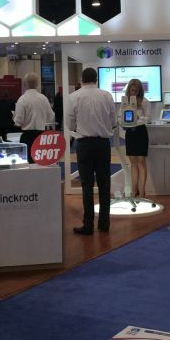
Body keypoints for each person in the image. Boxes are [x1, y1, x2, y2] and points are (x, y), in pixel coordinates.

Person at [66, 67, 116, 234]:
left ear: (82, 79)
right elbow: (113, 121)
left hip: (84, 145)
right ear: (96, 79)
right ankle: (104, 224)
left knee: (86, 185)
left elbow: (69, 124)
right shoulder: (106, 95)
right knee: (104, 184)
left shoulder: (74, 97)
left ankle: (88, 225)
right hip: (103, 144)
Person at [13, 72, 54, 162]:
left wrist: (14, 118)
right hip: (41, 136)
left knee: (28, 162)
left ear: (24, 84)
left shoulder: (22, 99)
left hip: (27, 136)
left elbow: (19, 121)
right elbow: (51, 117)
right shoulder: (43, 98)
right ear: (37, 84)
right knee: (41, 162)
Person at [122, 78, 152, 198]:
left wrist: (138, 118)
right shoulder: (125, 101)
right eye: (132, 90)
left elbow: (148, 118)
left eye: (136, 90)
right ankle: (134, 191)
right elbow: (120, 116)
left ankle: (142, 192)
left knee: (141, 162)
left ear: (140, 91)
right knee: (133, 163)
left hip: (141, 132)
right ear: (129, 90)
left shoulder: (145, 101)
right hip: (130, 133)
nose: (134, 92)